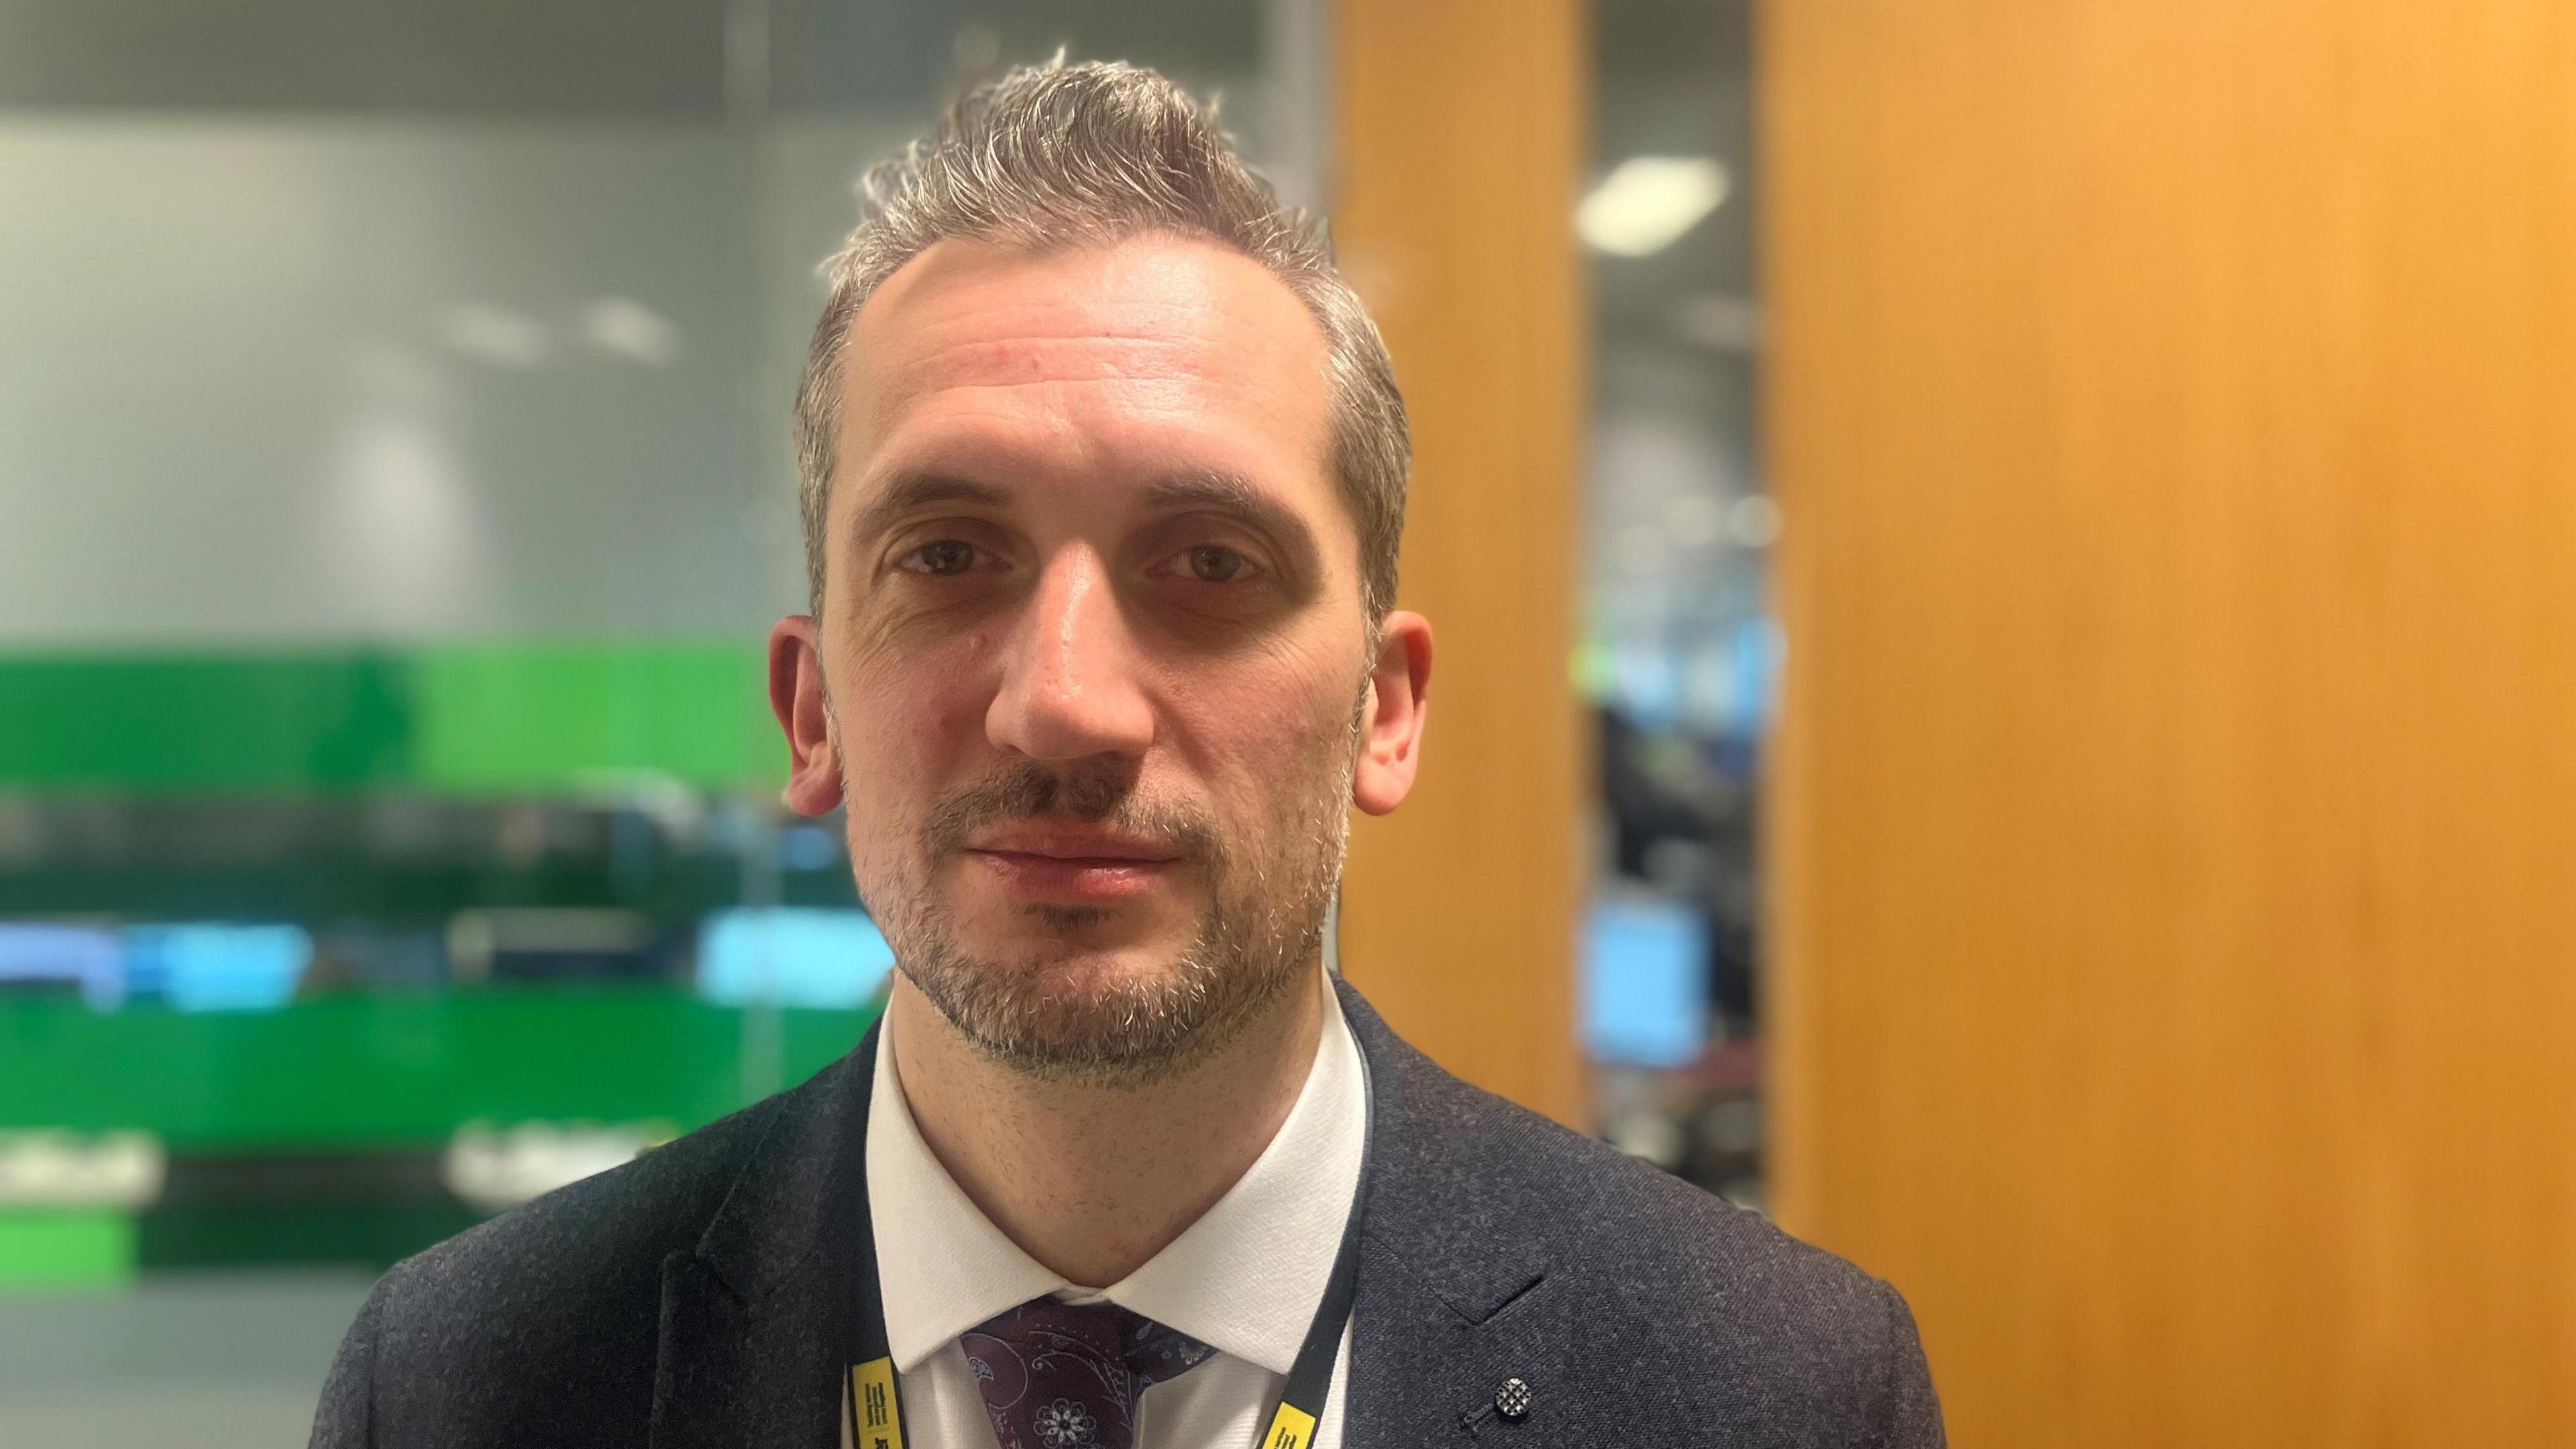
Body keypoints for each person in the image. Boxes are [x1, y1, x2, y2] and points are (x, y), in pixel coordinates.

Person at [310, 59, 1941, 1449]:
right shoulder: (465, 1389)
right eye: (950, 557)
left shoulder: (1772, 1391)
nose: (1069, 704)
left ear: (1385, 710)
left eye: (1211, 563)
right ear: (811, 712)